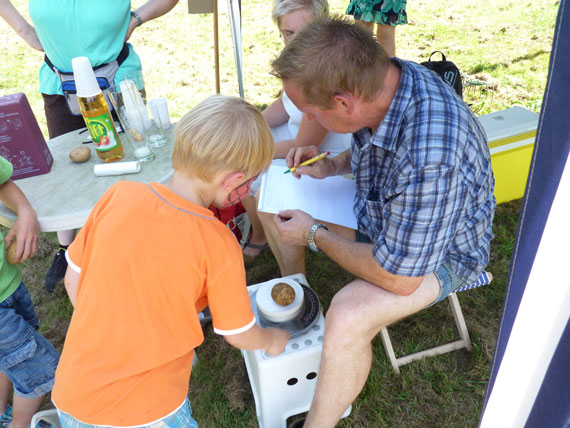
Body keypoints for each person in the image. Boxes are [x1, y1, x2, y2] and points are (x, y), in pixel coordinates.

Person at [259, 18, 496, 428]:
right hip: (388, 211)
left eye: (314, 113)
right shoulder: (386, 78)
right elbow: (380, 144)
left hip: (445, 252)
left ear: (345, 103)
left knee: (348, 314)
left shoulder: (431, 155)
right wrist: (333, 163)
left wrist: (316, 234)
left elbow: (399, 277)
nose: (309, 121)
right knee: (271, 198)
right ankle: (298, 295)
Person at [51, 95, 290, 428]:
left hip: (73, 393)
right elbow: (238, 332)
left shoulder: (118, 195)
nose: (249, 188)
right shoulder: (218, 242)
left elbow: (72, 280)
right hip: (147, 410)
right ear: (233, 181)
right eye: (251, 181)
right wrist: (273, 340)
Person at [0, 0, 180, 293]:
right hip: (60, 85)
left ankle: (144, 241)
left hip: (116, 79)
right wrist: (22, 29)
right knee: (69, 169)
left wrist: (136, 18)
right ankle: (68, 249)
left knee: (136, 159)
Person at [242, 0, 351, 264]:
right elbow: (285, 103)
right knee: (242, 154)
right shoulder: (299, 61)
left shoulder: (325, 72)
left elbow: (302, 146)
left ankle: (275, 252)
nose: (295, 41)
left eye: (304, 31)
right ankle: (260, 234)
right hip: (297, 138)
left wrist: (249, 147)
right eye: (288, 33)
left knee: (247, 167)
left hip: (324, 158)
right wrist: (251, 124)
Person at [0, 155, 60, 428]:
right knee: (40, 368)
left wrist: (25, 211)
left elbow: (2, 182)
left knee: (10, 359)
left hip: (8, 283)